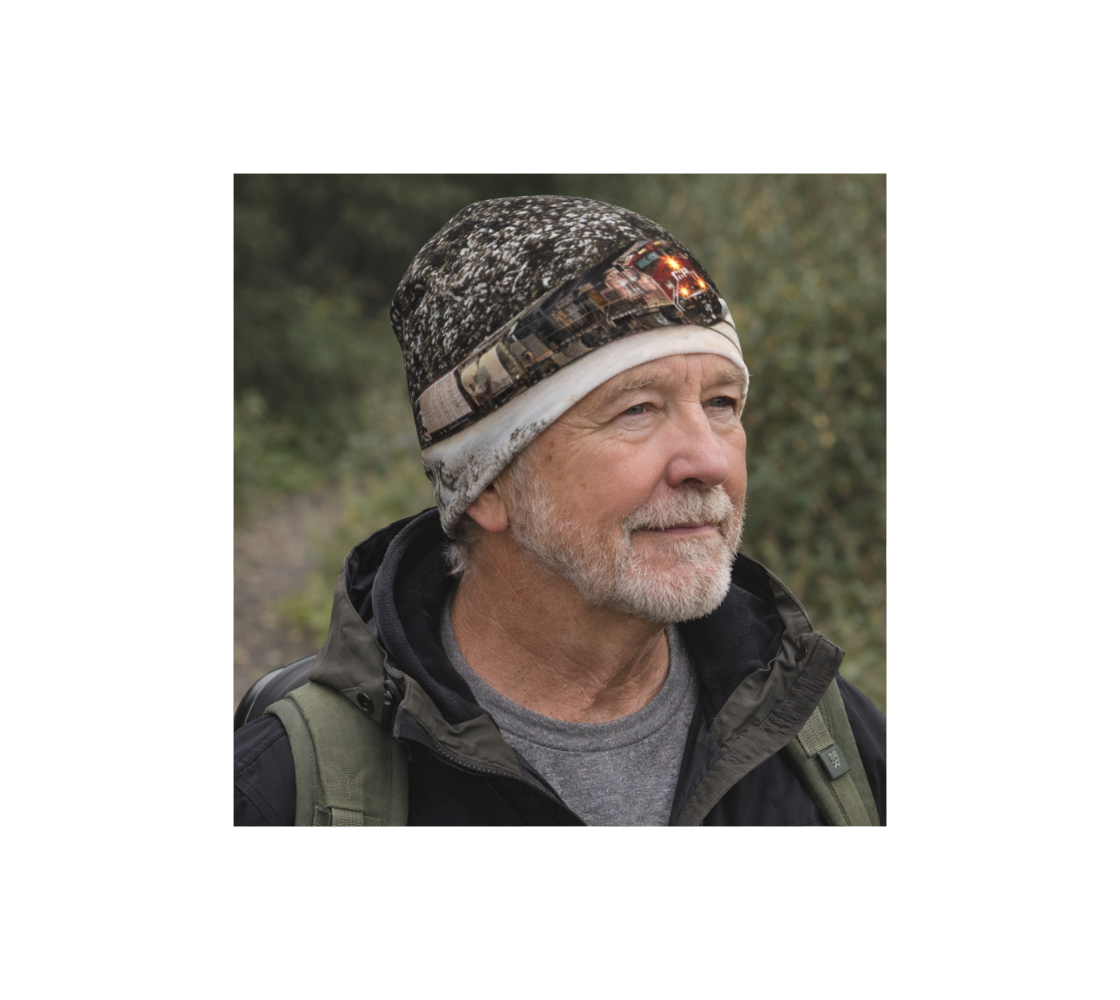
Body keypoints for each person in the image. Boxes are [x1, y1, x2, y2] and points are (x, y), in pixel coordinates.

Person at [233, 195, 887, 826]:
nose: (710, 462)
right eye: (637, 410)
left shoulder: (824, 736)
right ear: (486, 483)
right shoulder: (288, 790)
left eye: (722, 404)